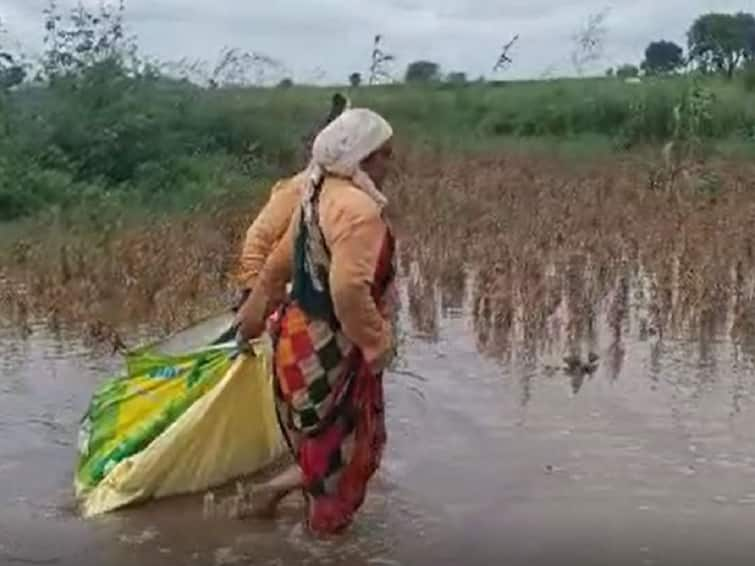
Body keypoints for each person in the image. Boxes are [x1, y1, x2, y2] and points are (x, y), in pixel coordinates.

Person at [236, 108, 396, 534]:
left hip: (295, 345)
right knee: (348, 455)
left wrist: (250, 320)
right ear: (362, 159)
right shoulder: (357, 210)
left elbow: (276, 267)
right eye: (384, 155)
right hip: (331, 347)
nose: (389, 164)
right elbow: (347, 291)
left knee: (320, 444)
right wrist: (378, 343)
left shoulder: (315, 195)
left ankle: (272, 500)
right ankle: (320, 544)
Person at [212, 94, 350, 345]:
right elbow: (258, 238)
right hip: (275, 294)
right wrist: (255, 296)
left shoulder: (338, 194)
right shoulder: (298, 189)